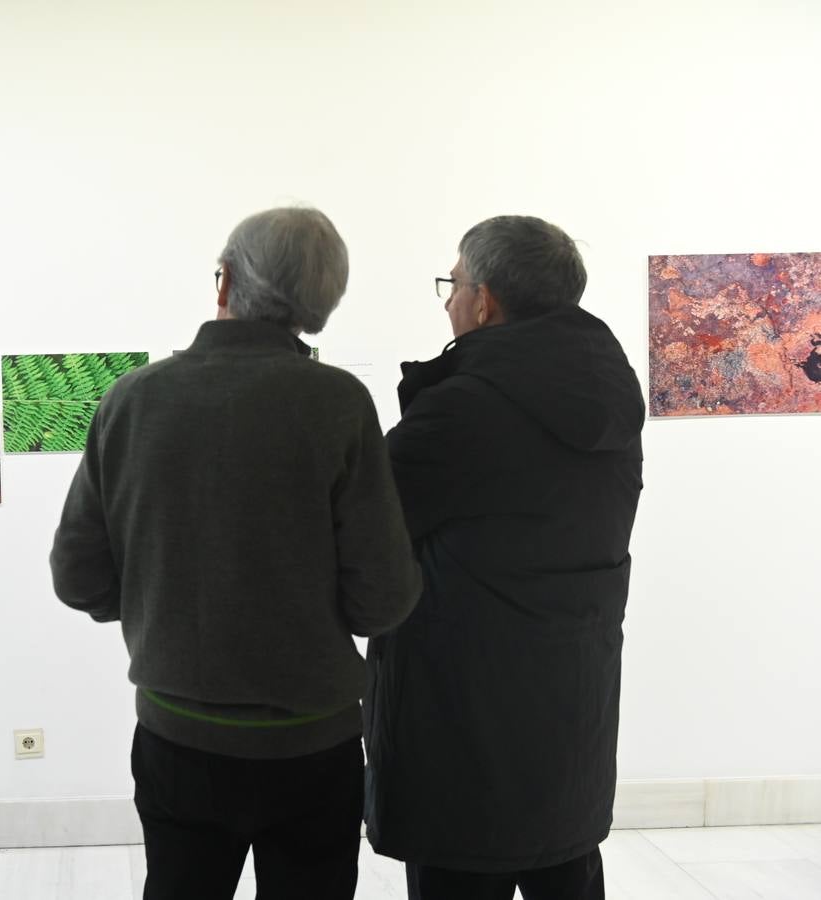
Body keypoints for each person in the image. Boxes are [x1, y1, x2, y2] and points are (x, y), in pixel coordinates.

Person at [50, 207, 422, 900]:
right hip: (313, 742)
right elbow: (382, 598)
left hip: (177, 728)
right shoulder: (337, 403)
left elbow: (78, 577)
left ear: (222, 281)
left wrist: (153, 605)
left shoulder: (132, 398)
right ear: (321, 305)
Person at [365, 215, 645, 900]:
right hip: (571, 706)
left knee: (461, 872)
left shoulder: (464, 409)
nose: (447, 299)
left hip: (463, 720)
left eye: (453, 282)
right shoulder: (608, 390)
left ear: (483, 299)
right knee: (563, 863)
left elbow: (362, 525)